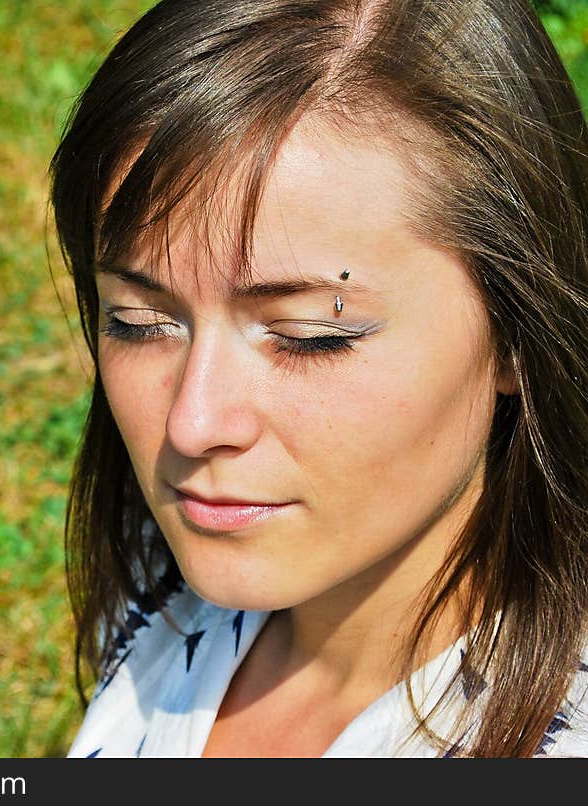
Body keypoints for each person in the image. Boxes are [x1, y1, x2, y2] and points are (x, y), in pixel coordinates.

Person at [49, 0, 588, 757]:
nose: (191, 424)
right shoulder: (163, 574)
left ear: (516, 337)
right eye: (139, 320)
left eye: (311, 337)